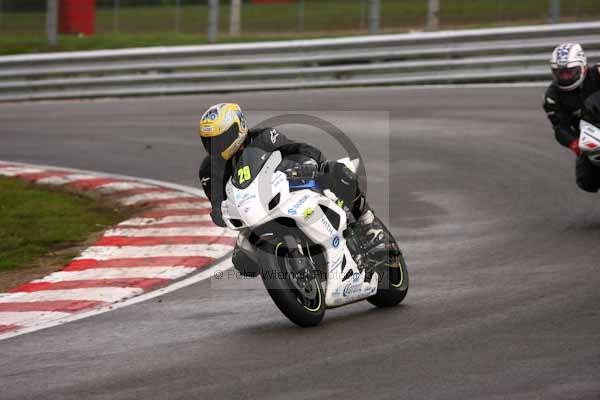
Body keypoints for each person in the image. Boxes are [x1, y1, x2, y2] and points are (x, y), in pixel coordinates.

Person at [198, 103, 389, 276]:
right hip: (254, 213)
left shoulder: (264, 137)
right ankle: (286, 273)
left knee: (337, 172)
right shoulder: (208, 170)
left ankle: (367, 223)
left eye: (221, 138)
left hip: (290, 187)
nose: (215, 146)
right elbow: (217, 202)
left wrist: (308, 163)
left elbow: (297, 148)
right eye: (210, 141)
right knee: (243, 262)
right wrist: (219, 214)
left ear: (238, 128)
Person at [543, 43, 600, 192]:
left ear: (582, 66)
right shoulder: (552, 97)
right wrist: (574, 144)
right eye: (560, 73)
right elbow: (559, 126)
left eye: (569, 72)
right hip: (590, 138)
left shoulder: (597, 74)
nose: (565, 77)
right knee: (586, 181)